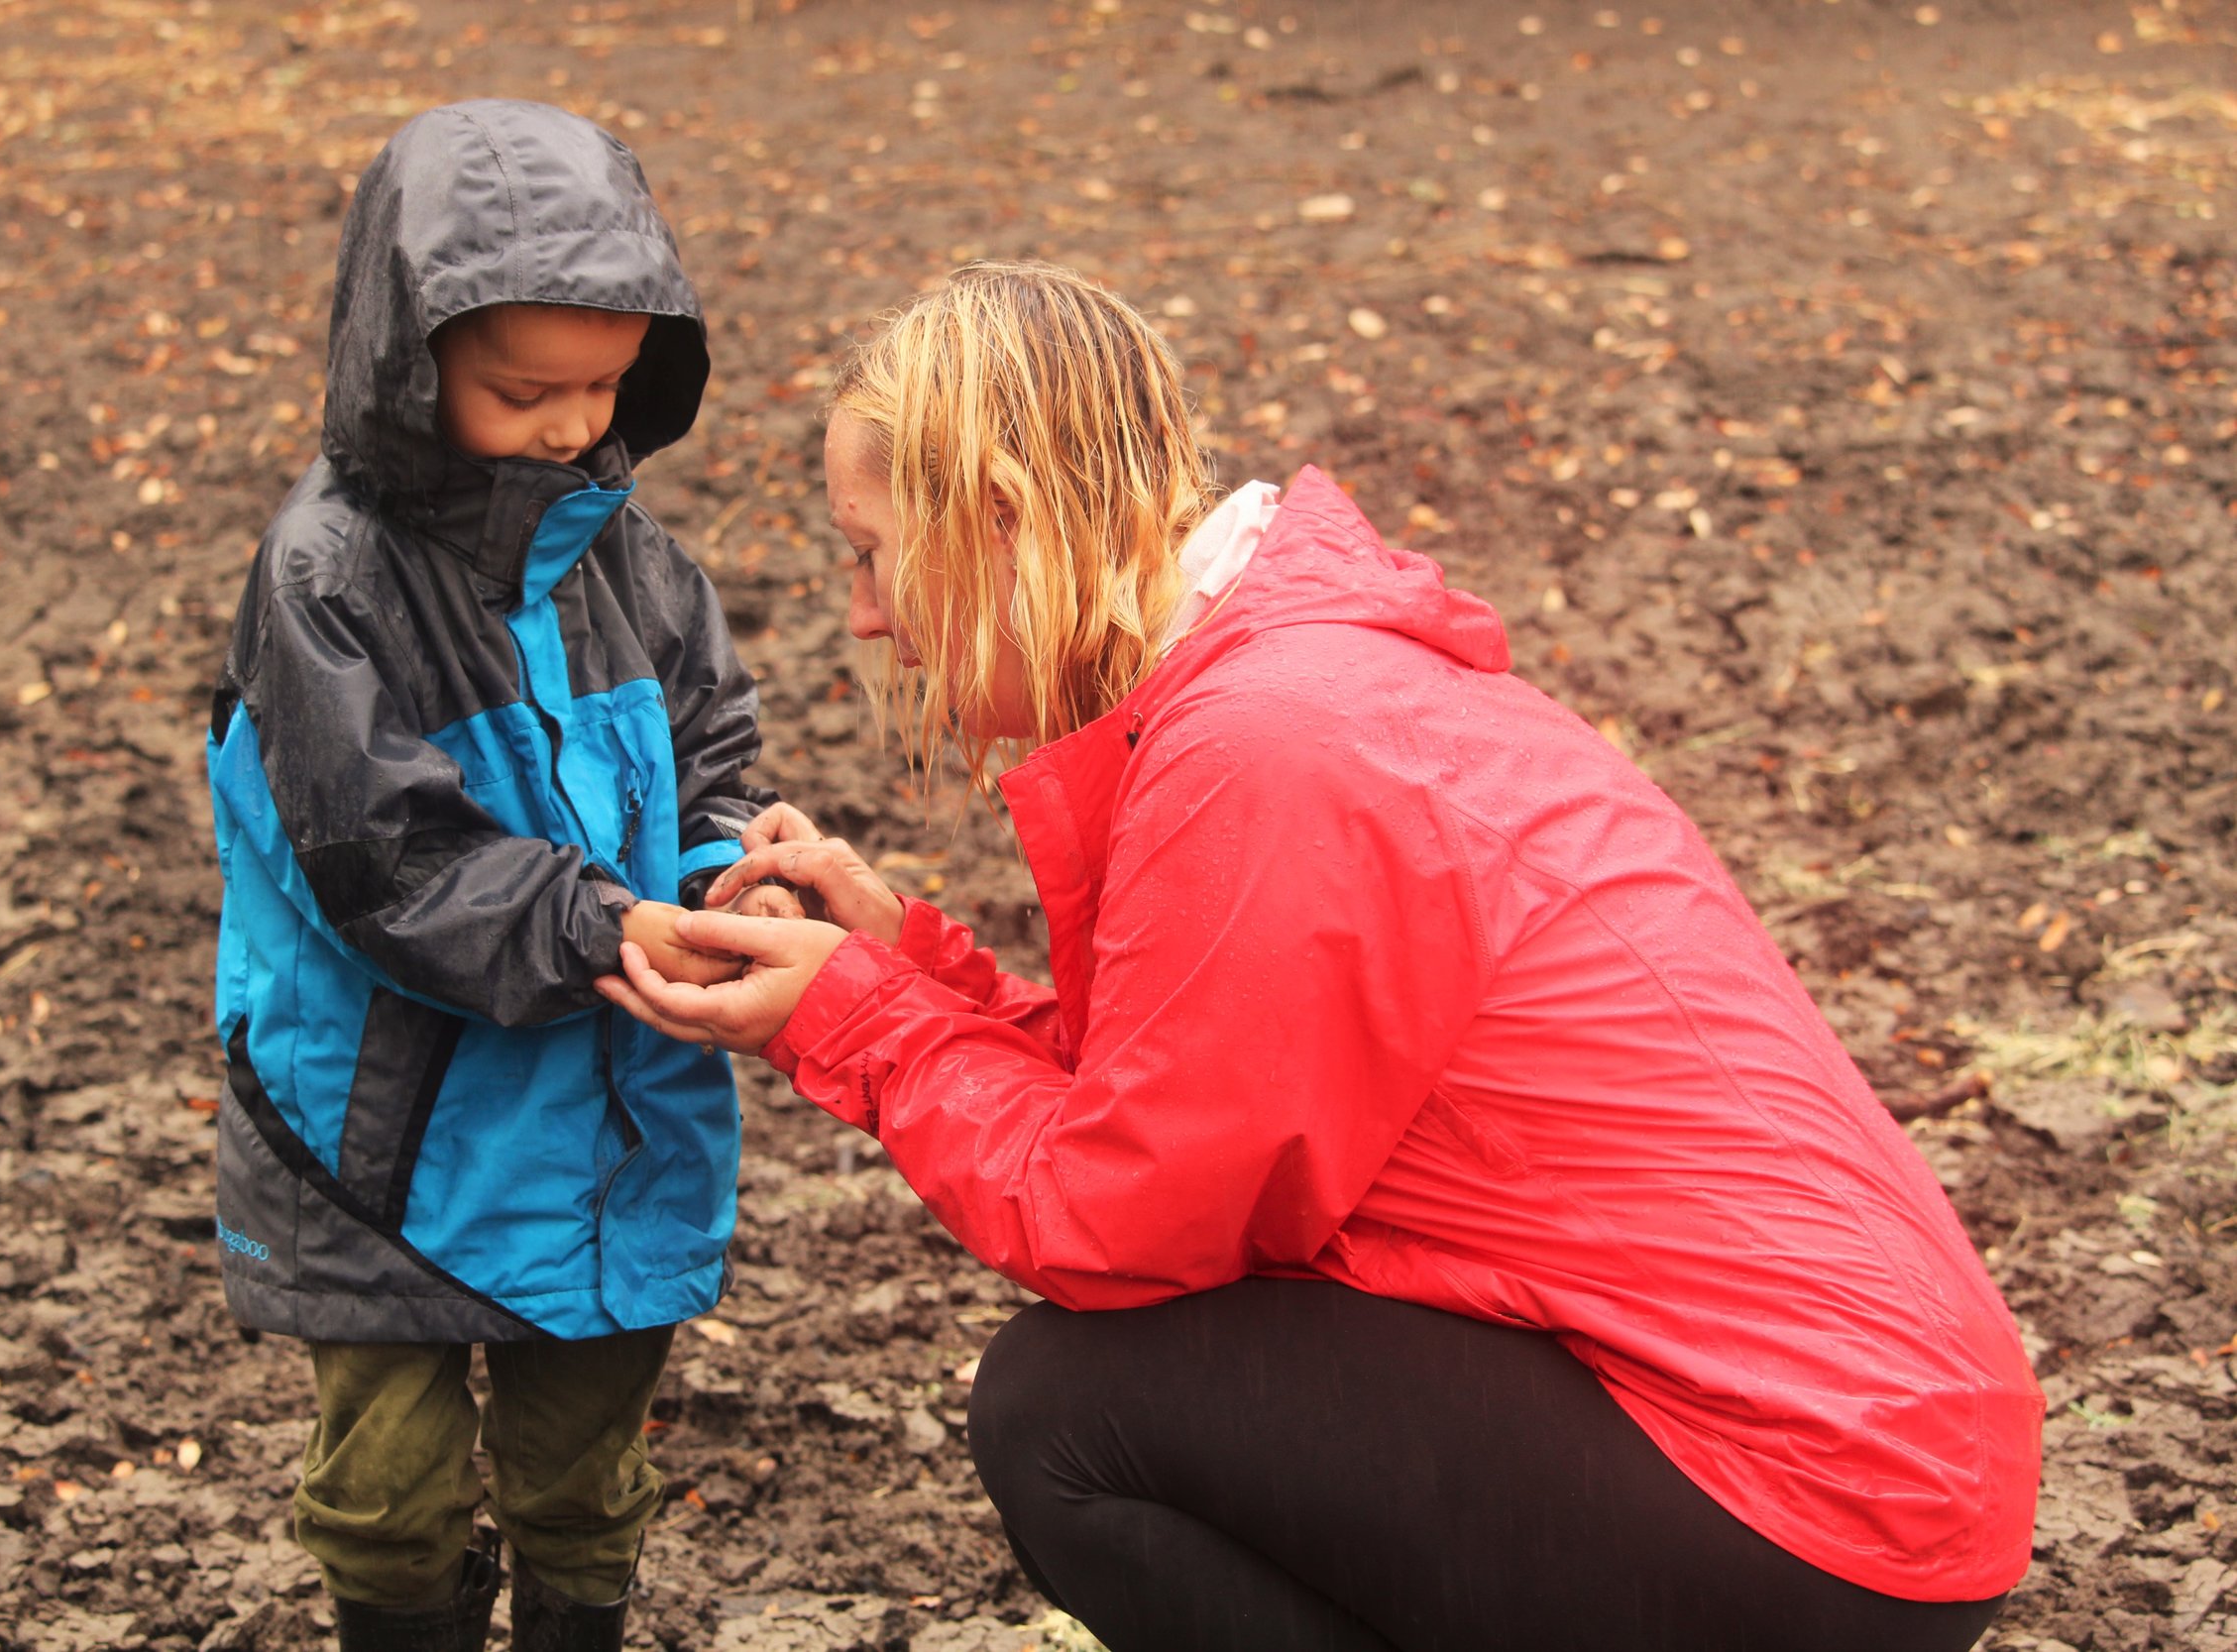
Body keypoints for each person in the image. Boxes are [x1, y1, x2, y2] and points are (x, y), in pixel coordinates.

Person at [596, 261, 2045, 1652]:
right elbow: (1178, 1106)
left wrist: (857, 1023)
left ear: (997, 515)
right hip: (1873, 1453)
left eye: (871, 555)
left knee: (1067, 1416)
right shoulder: (1286, 679)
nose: (865, 616)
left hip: (1809, 1500)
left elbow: (1118, 1222)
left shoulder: (1264, 747)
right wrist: (905, 965)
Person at [204, 100, 785, 1652]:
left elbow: (715, 744)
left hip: (603, 1110)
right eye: (523, 389)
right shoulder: (324, 577)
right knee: (387, 1486)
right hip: (385, 1129)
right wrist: (604, 918)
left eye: (603, 386)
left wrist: (732, 870)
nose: (568, 425)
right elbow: (382, 859)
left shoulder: (633, 561)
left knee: (584, 1464)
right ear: (409, 356)